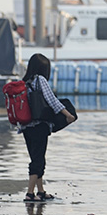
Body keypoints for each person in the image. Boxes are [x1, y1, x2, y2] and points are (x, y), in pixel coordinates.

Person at [20, 53, 75, 202]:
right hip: (39, 125)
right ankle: (30, 193)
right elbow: (52, 101)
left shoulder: (24, 82)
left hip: (26, 126)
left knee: (36, 158)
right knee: (38, 161)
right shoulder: (40, 80)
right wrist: (68, 115)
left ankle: (41, 191)